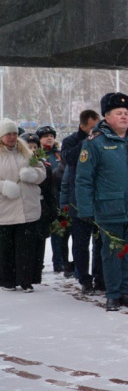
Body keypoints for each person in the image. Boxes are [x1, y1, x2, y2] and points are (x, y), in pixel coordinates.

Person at [75, 93, 128, 311]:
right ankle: (112, 294)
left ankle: (124, 292)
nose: (124, 117)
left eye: (126, 113)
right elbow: (84, 180)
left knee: (127, 253)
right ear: (107, 117)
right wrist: (85, 208)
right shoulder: (95, 143)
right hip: (108, 208)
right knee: (111, 254)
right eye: (118, 113)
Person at [0, 118, 46, 292]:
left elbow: (42, 172)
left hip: (27, 207)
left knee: (26, 247)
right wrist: (3, 186)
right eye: (8, 134)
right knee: (7, 248)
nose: (12, 137)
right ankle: (7, 280)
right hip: (5, 209)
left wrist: (32, 174)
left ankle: (26, 279)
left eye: (14, 134)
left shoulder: (27, 153)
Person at [61, 110, 103, 295]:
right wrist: (87, 142)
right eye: (92, 127)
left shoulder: (102, 141)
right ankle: (84, 278)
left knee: (100, 241)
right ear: (83, 126)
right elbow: (69, 159)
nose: (95, 131)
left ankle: (100, 276)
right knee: (80, 242)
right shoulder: (71, 141)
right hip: (78, 199)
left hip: (99, 198)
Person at [20, 133, 57, 285]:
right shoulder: (19, 165)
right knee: (24, 243)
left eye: (35, 147)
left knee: (39, 241)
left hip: (42, 207)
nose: (33, 150)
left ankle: (36, 274)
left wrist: (53, 209)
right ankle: (24, 274)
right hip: (23, 207)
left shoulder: (44, 166)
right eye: (29, 147)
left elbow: (50, 191)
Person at [36, 125, 72, 277]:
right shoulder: (37, 155)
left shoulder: (59, 154)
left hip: (59, 198)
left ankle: (60, 262)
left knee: (61, 233)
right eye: (45, 136)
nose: (49, 138)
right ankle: (39, 263)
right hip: (43, 200)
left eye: (51, 135)